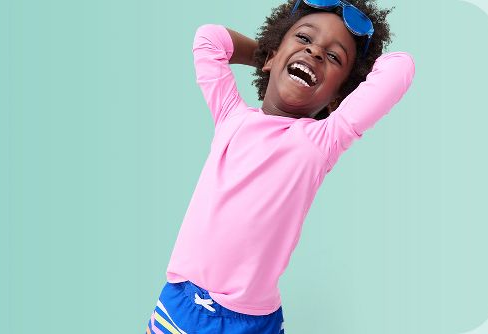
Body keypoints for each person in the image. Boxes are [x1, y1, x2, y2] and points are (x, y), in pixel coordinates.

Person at [145, 0, 415, 333]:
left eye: (333, 57)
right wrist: (267, 55)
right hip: (180, 303)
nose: (315, 52)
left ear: (336, 100)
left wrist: (289, 57)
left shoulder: (321, 141)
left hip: (251, 321)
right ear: (273, 55)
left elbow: (400, 67)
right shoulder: (231, 116)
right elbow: (209, 39)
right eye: (304, 39)